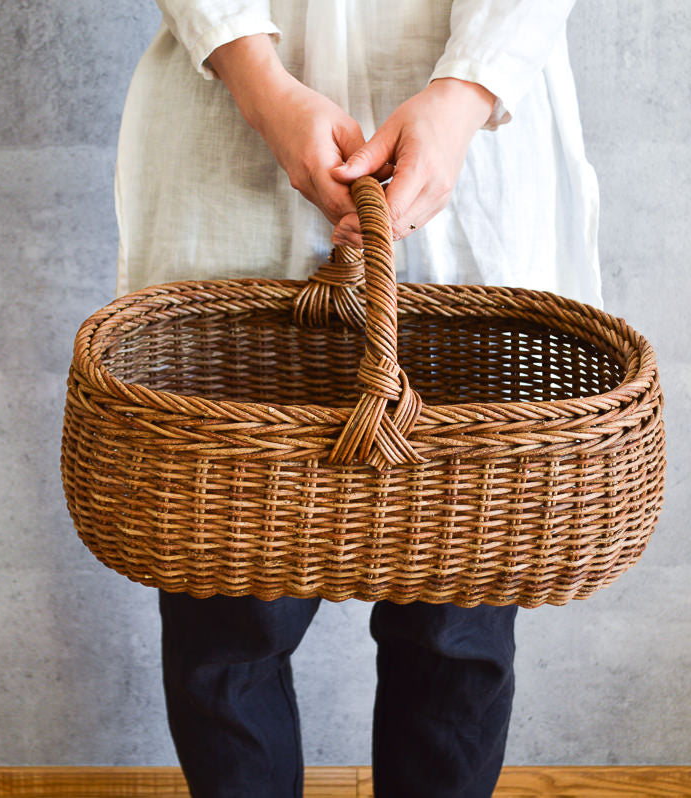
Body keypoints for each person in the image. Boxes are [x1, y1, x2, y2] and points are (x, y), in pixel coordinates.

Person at [113, 2, 601, 796]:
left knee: (456, 623)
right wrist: (259, 82)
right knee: (230, 613)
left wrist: (466, 90)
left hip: (473, 164)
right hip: (235, 135)